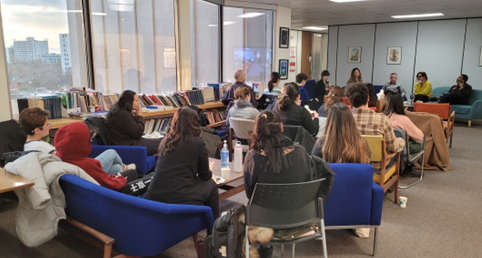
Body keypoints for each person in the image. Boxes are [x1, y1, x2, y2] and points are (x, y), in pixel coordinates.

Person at [144, 107, 219, 223]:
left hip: (154, 197)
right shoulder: (198, 143)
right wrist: (209, 172)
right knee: (212, 185)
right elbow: (205, 176)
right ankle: (213, 233)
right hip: (178, 199)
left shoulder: (166, 141)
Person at [19, 107, 135, 175]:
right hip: (79, 173)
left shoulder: (28, 146)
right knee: (111, 152)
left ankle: (122, 169)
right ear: (37, 130)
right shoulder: (44, 147)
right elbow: (67, 161)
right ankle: (126, 168)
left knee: (116, 169)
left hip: (74, 174)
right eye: (47, 124)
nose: (49, 126)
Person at [55, 122, 151, 196]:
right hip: (103, 194)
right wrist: (120, 179)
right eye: (89, 139)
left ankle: (122, 168)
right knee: (132, 172)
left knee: (117, 168)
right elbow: (110, 185)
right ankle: (126, 170)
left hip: (84, 192)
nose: (91, 141)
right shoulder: (89, 165)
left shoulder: (59, 157)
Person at [244, 110, 312, 200]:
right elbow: (308, 186)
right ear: (281, 127)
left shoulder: (252, 158)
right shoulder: (301, 153)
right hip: (296, 211)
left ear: (257, 129)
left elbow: (250, 194)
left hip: (263, 213)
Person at [345, 83, 405, 171]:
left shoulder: (343, 120)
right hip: (377, 167)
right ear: (368, 98)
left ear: (349, 101)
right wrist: (401, 141)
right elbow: (394, 147)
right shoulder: (383, 120)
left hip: (350, 164)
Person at [106, 90, 162, 156]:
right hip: (130, 146)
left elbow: (131, 129)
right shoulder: (123, 114)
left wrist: (135, 117)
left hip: (130, 143)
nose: (138, 103)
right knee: (163, 143)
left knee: (163, 141)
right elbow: (138, 133)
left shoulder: (119, 111)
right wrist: (139, 116)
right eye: (136, 100)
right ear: (129, 102)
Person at [383, 92, 424, 176]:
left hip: (382, 150)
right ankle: (409, 166)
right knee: (423, 140)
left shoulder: (379, 117)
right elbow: (419, 136)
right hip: (398, 150)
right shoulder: (403, 119)